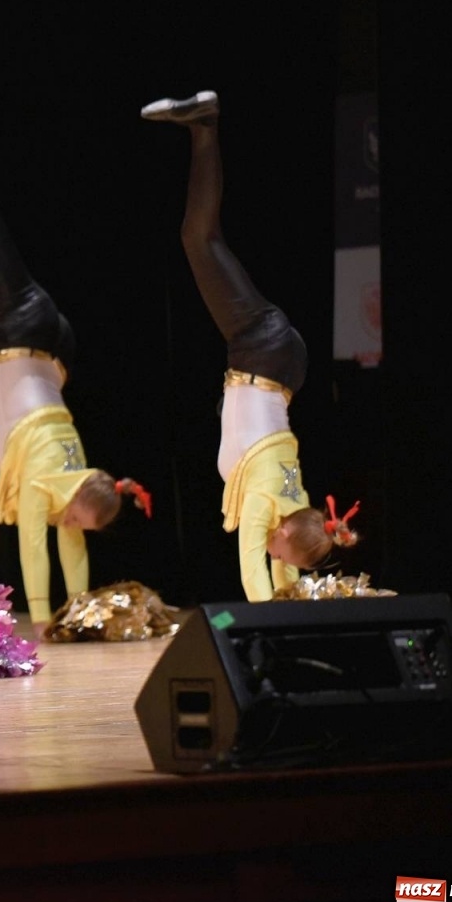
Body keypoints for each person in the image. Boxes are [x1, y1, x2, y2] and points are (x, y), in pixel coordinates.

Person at [0, 47, 150, 624]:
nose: (72, 527)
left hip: (41, 349)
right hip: (23, 328)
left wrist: (85, 608)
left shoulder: (84, 476)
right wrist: (45, 619)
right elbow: (39, 547)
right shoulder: (48, 488)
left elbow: (70, 539)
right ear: (75, 501)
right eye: (77, 519)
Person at [142, 90, 357, 598]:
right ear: (281, 531)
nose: (274, 554)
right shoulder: (266, 504)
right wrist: (269, 623)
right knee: (199, 238)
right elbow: (254, 574)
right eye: (279, 550)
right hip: (259, 349)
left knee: (201, 237)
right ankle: (205, 124)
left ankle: (201, 129)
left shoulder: (296, 504)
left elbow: (286, 564)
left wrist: (296, 598)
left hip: (280, 363)